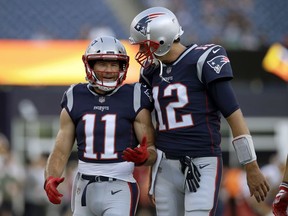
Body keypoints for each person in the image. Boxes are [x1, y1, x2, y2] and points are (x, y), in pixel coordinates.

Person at [129, 6, 270, 216]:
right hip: (165, 167)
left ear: (161, 40)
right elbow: (153, 124)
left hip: (202, 162)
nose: (141, 52)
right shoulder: (150, 72)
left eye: (144, 46)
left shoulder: (203, 59)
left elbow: (234, 116)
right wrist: (152, 173)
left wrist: (251, 165)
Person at [44, 36, 157, 216]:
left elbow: (151, 150)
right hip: (84, 186)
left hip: (120, 185)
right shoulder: (75, 95)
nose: (109, 70)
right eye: (102, 64)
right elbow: (60, 150)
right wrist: (50, 177)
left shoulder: (134, 95)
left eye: (114, 65)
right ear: (90, 65)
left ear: (123, 67)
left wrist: (144, 157)